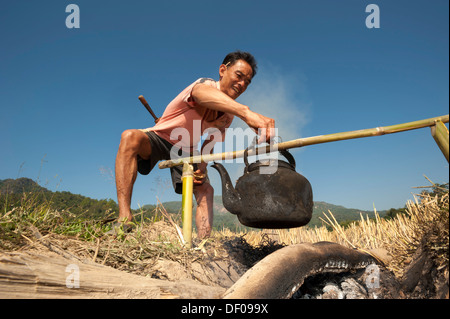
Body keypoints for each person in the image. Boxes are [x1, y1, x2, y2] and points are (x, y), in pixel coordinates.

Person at [114, 51, 275, 238]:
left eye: (247, 82)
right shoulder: (205, 84)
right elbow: (200, 95)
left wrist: (203, 169)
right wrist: (246, 113)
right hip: (161, 136)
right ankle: (124, 218)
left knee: (206, 190)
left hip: (187, 150)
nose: (242, 84)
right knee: (130, 136)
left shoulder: (227, 116)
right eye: (239, 76)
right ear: (223, 70)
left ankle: (203, 242)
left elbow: (208, 144)